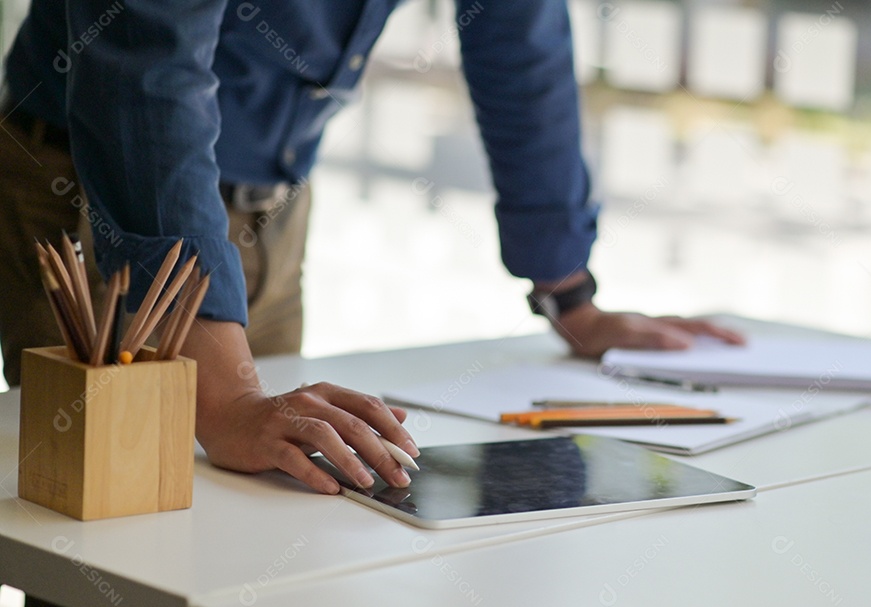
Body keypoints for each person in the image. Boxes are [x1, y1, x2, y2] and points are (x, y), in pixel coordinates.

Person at [0, 0, 744, 497]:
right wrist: (225, 397)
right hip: (95, 191)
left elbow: (517, 34)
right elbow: (142, 64)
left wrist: (569, 293)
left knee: (258, 516)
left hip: (273, 204)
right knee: (122, 542)